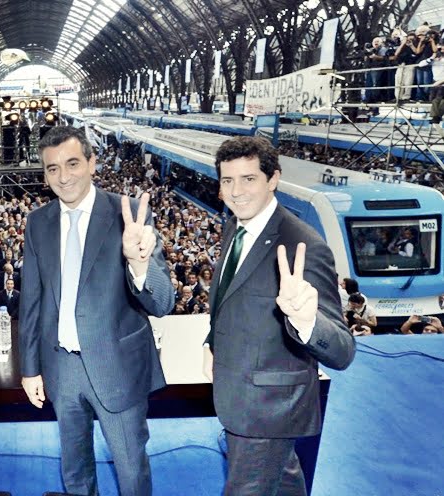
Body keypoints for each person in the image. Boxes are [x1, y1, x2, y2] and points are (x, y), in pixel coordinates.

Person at [19, 125, 176, 496]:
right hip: (62, 368)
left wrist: (139, 265)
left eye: (73, 163)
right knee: (75, 470)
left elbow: (163, 302)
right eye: (52, 168)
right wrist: (30, 369)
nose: (63, 176)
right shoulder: (37, 223)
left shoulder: (129, 215)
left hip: (117, 364)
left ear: (92, 163)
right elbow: (32, 300)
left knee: (130, 470)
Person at [201, 137, 355, 496]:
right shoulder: (236, 226)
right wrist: (213, 341)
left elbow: (343, 350)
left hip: (268, 409)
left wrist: (305, 320)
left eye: (249, 179)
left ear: (273, 180)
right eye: (227, 181)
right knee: (284, 480)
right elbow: (229, 297)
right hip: (241, 391)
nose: (236, 191)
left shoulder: (304, 245)